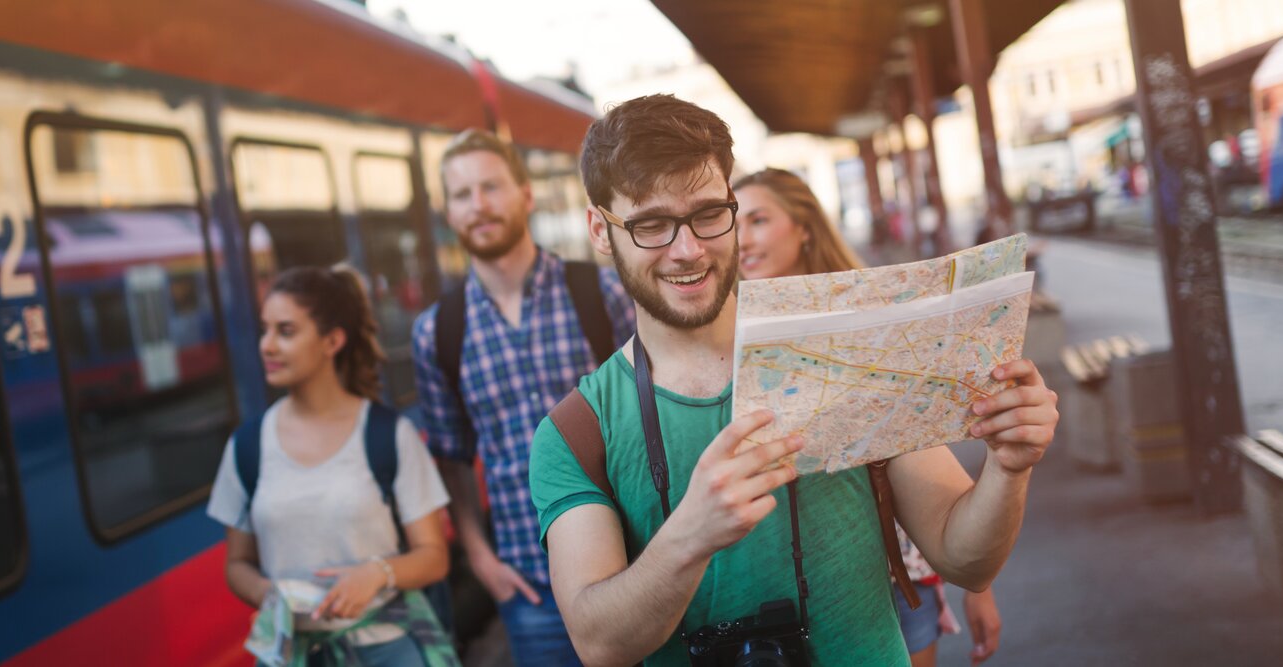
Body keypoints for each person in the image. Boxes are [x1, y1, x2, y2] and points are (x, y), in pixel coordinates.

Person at [528, 94, 1059, 666]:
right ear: (600, 231)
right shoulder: (575, 433)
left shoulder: (850, 351)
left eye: (709, 214)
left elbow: (965, 559)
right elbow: (598, 642)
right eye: (652, 225)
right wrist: (693, 533)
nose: (688, 250)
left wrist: (1008, 468)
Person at [733, 167, 1002, 666]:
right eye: (734, 223)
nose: (742, 239)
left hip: (900, 566)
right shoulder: (725, 336)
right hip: (794, 583)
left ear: (804, 227)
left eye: (759, 220)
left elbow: (919, 438)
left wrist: (979, 586)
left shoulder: (869, 317)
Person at [410, 129, 637, 666]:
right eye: (462, 195)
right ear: (448, 211)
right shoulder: (437, 331)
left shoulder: (600, 293)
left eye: (491, 186)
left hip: (630, 564)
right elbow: (452, 456)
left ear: (526, 195)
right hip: (529, 590)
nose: (479, 205)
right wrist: (481, 558)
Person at [208, 266, 460, 666]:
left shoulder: (389, 436)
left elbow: (434, 556)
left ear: (332, 340)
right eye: (265, 330)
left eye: (286, 331)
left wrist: (377, 574)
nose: (267, 346)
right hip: (291, 656)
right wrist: (268, 595)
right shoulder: (247, 445)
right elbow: (237, 564)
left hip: (386, 651)